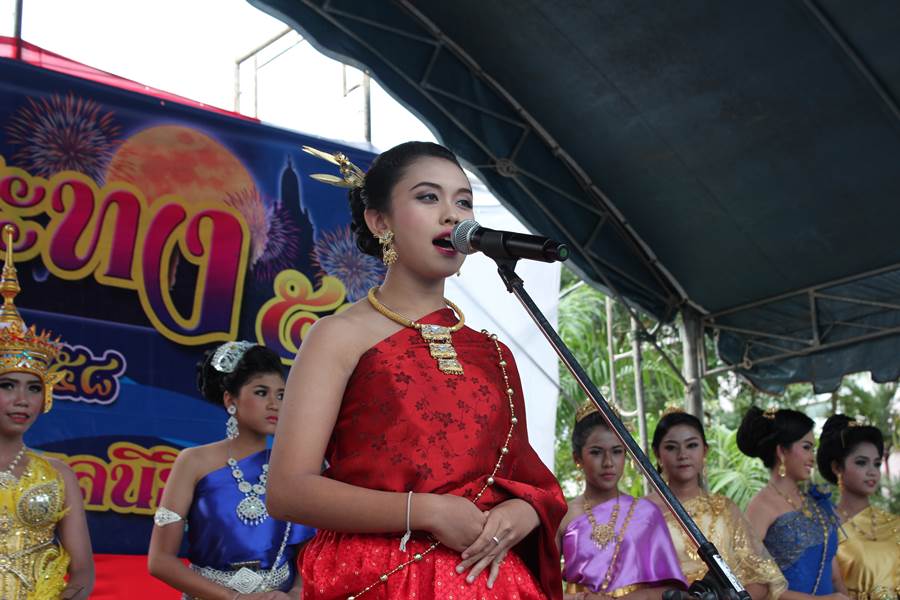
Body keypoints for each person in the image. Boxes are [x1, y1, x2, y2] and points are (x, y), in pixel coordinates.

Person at [266, 142, 568, 600]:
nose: (452, 216)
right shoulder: (338, 336)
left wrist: (524, 512)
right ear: (379, 221)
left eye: (463, 201)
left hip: (490, 582)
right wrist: (424, 511)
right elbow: (288, 491)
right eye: (428, 197)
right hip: (382, 579)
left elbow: (530, 483)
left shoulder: (493, 353)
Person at [147, 341, 314, 599]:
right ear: (230, 400)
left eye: (281, 395)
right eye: (261, 392)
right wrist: (234, 597)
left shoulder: (293, 465)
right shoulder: (193, 462)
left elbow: (308, 551)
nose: (274, 404)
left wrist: (296, 593)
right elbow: (159, 561)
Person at [0, 224, 94, 599]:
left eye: (34, 387)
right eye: (8, 385)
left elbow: (82, 573)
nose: (23, 399)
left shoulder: (58, 475)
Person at [648, 408, 786, 600]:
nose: (683, 454)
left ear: (704, 451)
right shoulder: (642, 512)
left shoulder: (725, 509)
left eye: (691, 445)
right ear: (657, 454)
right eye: (671, 447)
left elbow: (761, 578)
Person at [558, 401, 686, 600]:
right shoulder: (562, 515)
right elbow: (540, 589)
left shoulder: (647, 514)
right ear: (578, 458)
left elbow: (671, 591)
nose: (608, 462)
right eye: (596, 452)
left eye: (617, 451)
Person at [737, 406, 848, 600]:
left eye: (813, 449)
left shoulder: (816, 501)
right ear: (781, 451)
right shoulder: (761, 506)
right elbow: (751, 585)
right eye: (806, 447)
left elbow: (834, 575)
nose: (812, 458)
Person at [816, 414, 898, 600]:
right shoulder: (823, 527)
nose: (872, 472)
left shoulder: (895, 524)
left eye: (876, 464)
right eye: (861, 462)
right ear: (837, 467)